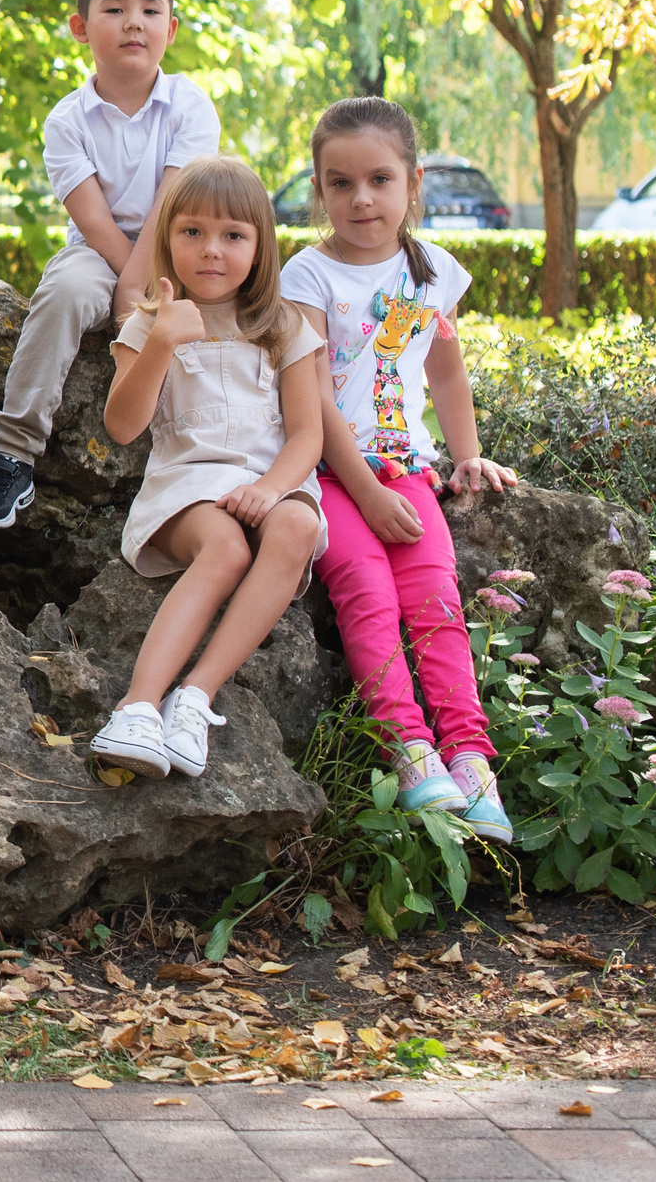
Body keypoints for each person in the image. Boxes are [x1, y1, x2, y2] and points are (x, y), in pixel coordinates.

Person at [283, 98, 518, 843]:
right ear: (320, 189)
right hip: (330, 473)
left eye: (379, 179)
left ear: (412, 183)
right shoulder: (307, 276)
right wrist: (365, 494)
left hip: (409, 470)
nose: (361, 198)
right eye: (340, 182)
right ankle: (410, 748)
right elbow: (314, 397)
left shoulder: (433, 273)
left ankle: (471, 756)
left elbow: (445, 372)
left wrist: (468, 449)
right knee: (368, 593)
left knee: (436, 603)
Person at [0, 0, 220, 528]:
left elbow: (170, 208)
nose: (134, 22)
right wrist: (131, 289)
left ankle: (209, 463)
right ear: (80, 28)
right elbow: (96, 222)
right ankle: (12, 453)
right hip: (98, 253)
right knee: (65, 293)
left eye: (151, 10)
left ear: (170, 29)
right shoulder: (67, 120)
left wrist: (143, 291)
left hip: (178, 248)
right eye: (115, 9)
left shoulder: (190, 106)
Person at [88, 157, 326, 780]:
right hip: (187, 486)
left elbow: (307, 434)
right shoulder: (148, 322)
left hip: (272, 479)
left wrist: (273, 489)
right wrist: (164, 340)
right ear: (167, 237)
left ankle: (194, 697)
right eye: (191, 232)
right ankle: (137, 706)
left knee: (298, 531)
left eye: (233, 236)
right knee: (224, 549)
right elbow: (122, 427)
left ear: (260, 246)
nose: (211, 251)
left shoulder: (283, 326)